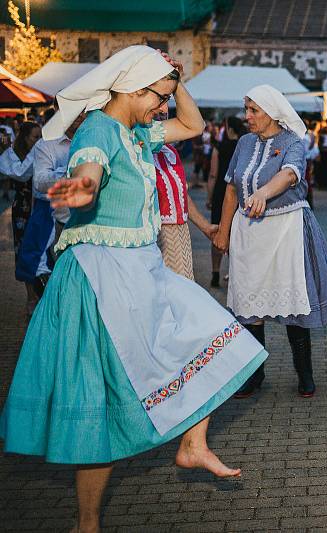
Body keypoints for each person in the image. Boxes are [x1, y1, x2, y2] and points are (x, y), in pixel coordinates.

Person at [0, 46, 269, 533]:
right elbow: (84, 181)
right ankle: (87, 523)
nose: (163, 108)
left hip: (142, 269)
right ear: (131, 88)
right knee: (97, 403)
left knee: (214, 330)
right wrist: (63, 192)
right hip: (101, 277)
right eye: (158, 98)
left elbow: (193, 124)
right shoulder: (99, 130)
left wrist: (173, 77)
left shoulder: (137, 133)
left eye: (165, 98)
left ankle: (191, 443)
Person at [213, 84, 327, 399]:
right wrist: (223, 230)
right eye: (246, 110)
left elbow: (289, 175)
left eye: (253, 110)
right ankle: (254, 374)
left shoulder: (293, 142)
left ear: (271, 112)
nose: (247, 117)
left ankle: (305, 374)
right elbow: (232, 188)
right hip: (248, 233)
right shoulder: (244, 143)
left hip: (285, 230)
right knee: (249, 303)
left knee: (291, 302)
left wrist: (262, 192)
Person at [16, 114, 86, 304]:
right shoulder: (47, 145)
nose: (80, 115)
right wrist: (74, 173)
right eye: (75, 110)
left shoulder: (94, 137)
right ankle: (38, 303)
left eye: (84, 110)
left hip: (91, 224)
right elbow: (39, 181)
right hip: (55, 218)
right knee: (43, 263)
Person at [153, 122, 218, 280]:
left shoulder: (171, 151)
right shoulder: (136, 148)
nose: (162, 111)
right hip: (155, 235)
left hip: (179, 234)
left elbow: (181, 195)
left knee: (181, 289)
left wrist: (206, 227)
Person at [0, 121, 42, 316]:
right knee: (24, 249)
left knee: (40, 249)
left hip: (40, 207)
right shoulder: (11, 156)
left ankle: (40, 294)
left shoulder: (40, 152)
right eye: (35, 137)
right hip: (23, 209)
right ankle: (31, 295)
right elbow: (20, 174)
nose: (39, 141)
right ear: (25, 137)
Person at [208, 117, 247, 287]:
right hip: (238, 193)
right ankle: (234, 272)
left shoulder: (219, 148)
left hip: (220, 193)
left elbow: (213, 174)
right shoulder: (245, 147)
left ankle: (215, 272)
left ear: (229, 129)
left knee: (218, 231)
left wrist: (209, 197)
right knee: (236, 233)